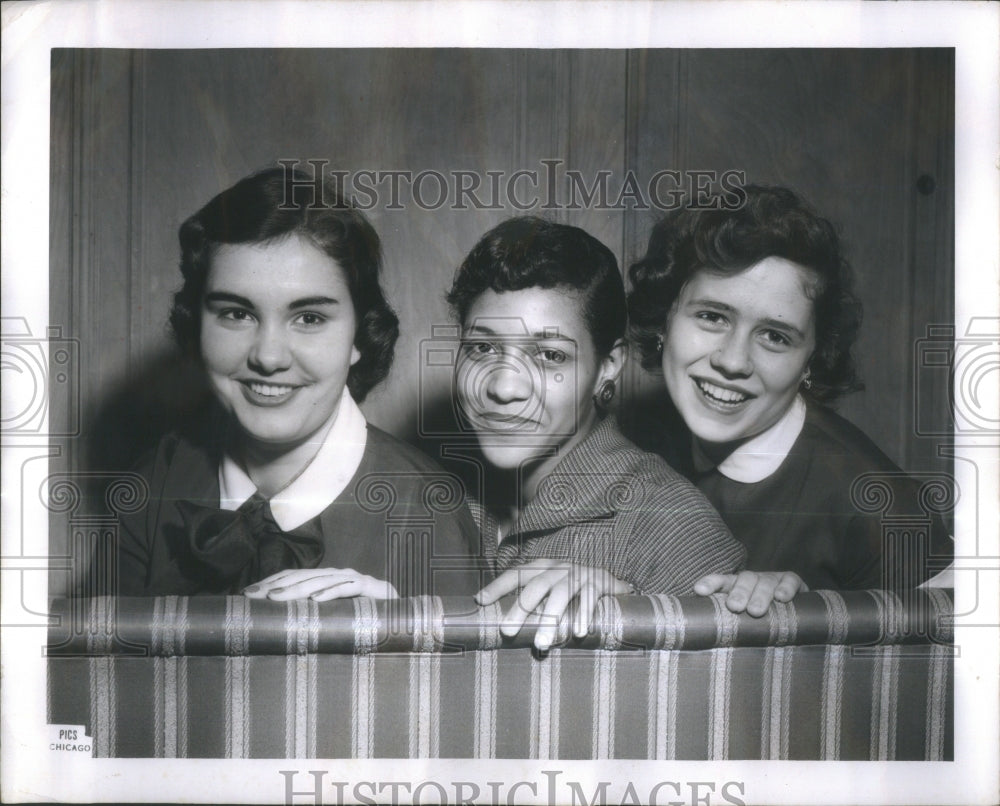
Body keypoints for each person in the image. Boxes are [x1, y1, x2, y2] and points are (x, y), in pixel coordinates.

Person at [92, 167, 484, 599]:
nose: (268, 356)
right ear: (197, 326)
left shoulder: (428, 510)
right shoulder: (152, 485)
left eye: (309, 318)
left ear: (359, 337)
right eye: (236, 314)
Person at [627, 184, 953, 613]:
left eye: (775, 336)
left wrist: (811, 618)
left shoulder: (885, 509)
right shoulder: (627, 444)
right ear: (665, 318)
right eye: (711, 316)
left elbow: (946, 666)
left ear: (813, 358)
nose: (733, 360)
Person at [447, 216, 747, 648]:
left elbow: (736, 694)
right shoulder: (432, 492)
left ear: (608, 365)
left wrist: (632, 611)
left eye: (549, 356)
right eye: (482, 348)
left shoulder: (670, 519)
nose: (503, 386)